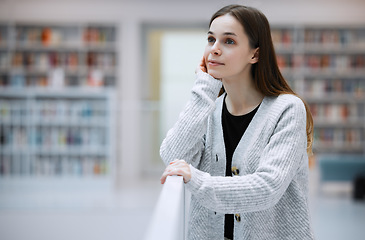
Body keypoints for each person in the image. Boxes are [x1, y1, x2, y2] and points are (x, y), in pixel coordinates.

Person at [160, 4, 315, 240]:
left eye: (228, 41)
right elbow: (173, 155)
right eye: (211, 39)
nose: (214, 49)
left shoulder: (288, 110)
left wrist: (197, 179)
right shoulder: (209, 110)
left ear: (255, 54)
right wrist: (204, 89)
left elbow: (267, 188)